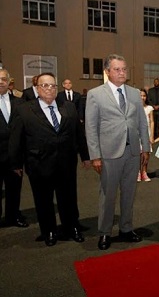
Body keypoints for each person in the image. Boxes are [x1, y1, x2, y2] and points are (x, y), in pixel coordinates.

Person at [9, 72, 91, 246]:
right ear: (37, 88)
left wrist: (85, 156)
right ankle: (49, 231)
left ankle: (72, 227)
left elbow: (78, 134)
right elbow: (16, 139)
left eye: (53, 85)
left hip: (66, 163)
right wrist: (15, 163)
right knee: (43, 200)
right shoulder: (24, 110)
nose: (49, 89)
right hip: (39, 164)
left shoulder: (68, 107)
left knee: (68, 198)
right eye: (44, 85)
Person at [85, 54, 151, 251]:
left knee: (129, 194)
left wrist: (145, 147)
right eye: (117, 69)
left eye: (124, 69)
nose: (122, 72)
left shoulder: (133, 93)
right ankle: (105, 233)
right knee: (108, 195)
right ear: (107, 71)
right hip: (108, 154)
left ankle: (126, 228)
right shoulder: (95, 94)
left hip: (132, 152)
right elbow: (91, 127)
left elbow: (141, 122)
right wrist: (95, 155)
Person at [0, 69, 29, 228]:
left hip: (14, 158)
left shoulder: (20, 103)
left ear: (9, 82)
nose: (1, 82)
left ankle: (13, 216)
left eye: (4, 79)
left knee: (14, 189)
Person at [138, 89, 155, 182]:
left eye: (144, 96)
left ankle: (144, 172)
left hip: (147, 133)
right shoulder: (134, 108)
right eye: (141, 96)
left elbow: (152, 122)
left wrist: (151, 135)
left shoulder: (149, 108)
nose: (142, 98)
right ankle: (137, 173)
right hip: (137, 134)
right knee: (137, 155)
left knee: (146, 154)